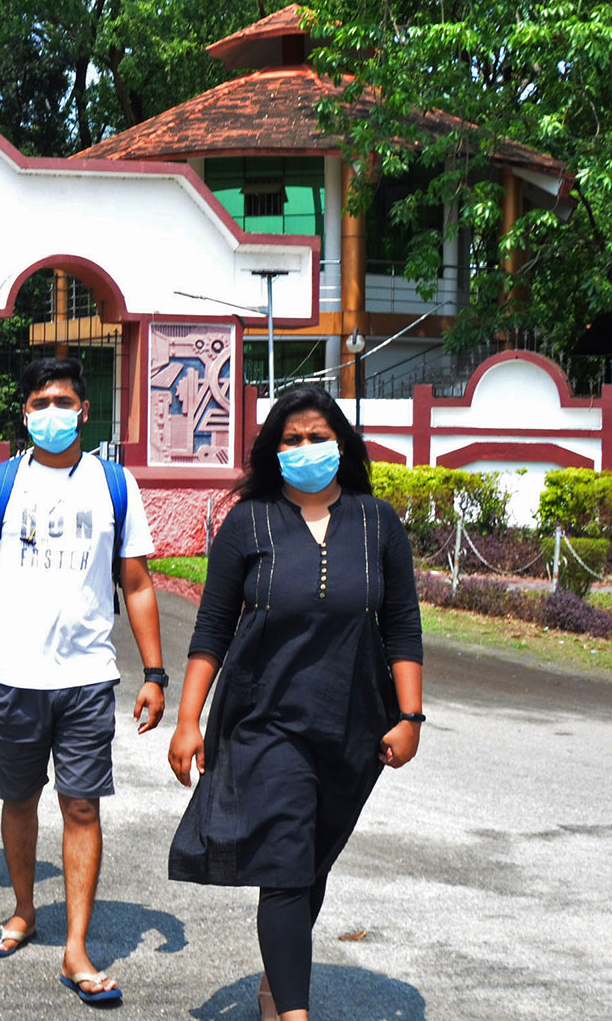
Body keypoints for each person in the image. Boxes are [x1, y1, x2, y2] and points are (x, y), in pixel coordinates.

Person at [166, 385, 424, 1021]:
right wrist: (188, 720)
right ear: (272, 449)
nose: (305, 448)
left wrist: (410, 717)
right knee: (284, 863)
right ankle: (293, 1013)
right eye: (291, 439)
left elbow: (402, 625)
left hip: (353, 725)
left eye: (317, 437)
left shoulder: (378, 522)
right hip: (265, 722)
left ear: (342, 443)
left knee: (309, 863)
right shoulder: (248, 522)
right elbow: (212, 628)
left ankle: (277, 984)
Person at [0, 357, 166, 1006]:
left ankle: (75, 948)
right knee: (18, 798)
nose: (52, 412)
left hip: (88, 676)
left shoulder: (114, 485)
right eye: (40, 401)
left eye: (63, 400)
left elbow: (139, 583)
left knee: (82, 805)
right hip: (12, 675)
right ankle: (22, 911)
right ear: (24, 413)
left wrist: (155, 672)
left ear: (83, 409)